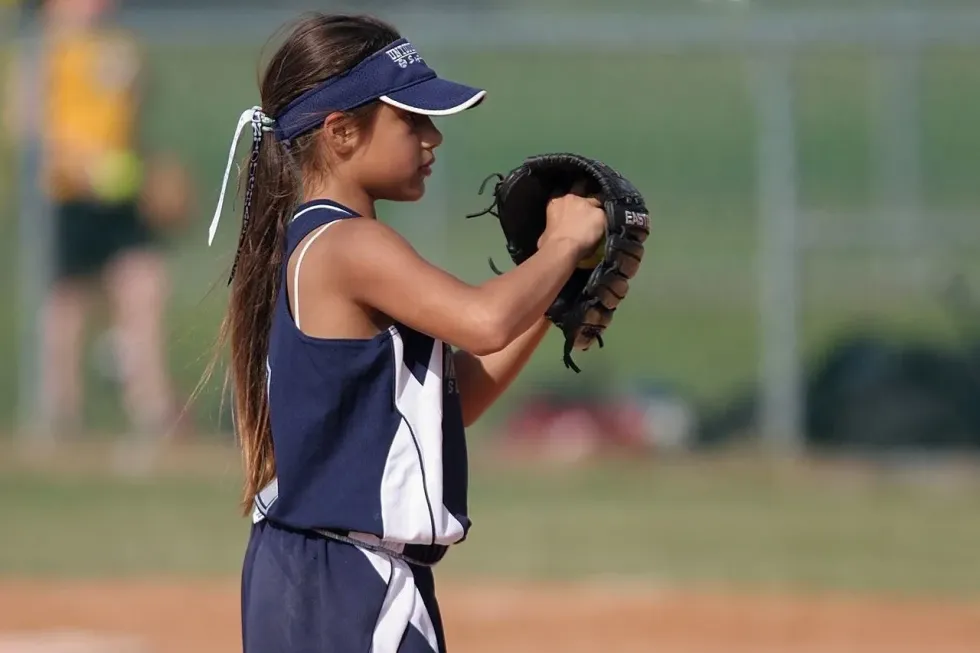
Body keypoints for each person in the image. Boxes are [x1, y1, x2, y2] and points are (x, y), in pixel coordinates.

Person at [204, 13, 607, 653]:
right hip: (341, 584)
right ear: (340, 132)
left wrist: (554, 289)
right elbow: (484, 320)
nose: (432, 137)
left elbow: (459, 397)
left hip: (347, 576)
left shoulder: (336, 242)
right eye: (411, 119)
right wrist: (560, 246)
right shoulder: (347, 245)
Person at [8, 0, 190, 463]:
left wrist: (146, 170)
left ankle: (151, 413)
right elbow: (25, 125)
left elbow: (130, 121)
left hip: (119, 193)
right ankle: (58, 417)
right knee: (65, 309)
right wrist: (82, 162)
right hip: (64, 197)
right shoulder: (43, 47)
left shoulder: (119, 46)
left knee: (145, 288)